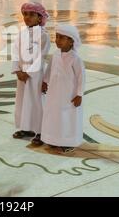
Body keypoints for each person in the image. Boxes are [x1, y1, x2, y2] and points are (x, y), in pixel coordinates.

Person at [41, 24, 85, 153]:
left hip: (69, 95)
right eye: (56, 37)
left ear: (71, 41)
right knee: (54, 115)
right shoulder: (55, 54)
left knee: (67, 117)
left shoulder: (75, 58)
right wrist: (44, 81)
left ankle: (68, 142)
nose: (57, 40)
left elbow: (81, 77)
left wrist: (79, 94)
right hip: (54, 92)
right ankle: (53, 139)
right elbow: (49, 69)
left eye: (61, 38)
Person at [11, 2, 50, 146]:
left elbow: (41, 56)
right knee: (22, 101)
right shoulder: (22, 33)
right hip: (21, 75)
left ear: (40, 18)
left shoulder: (44, 36)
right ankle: (26, 128)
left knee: (36, 102)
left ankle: (41, 131)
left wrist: (28, 73)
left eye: (32, 15)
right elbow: (15, 52)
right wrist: (17, 70)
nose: (27, 17)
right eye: (25, 14)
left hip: (35, 76)